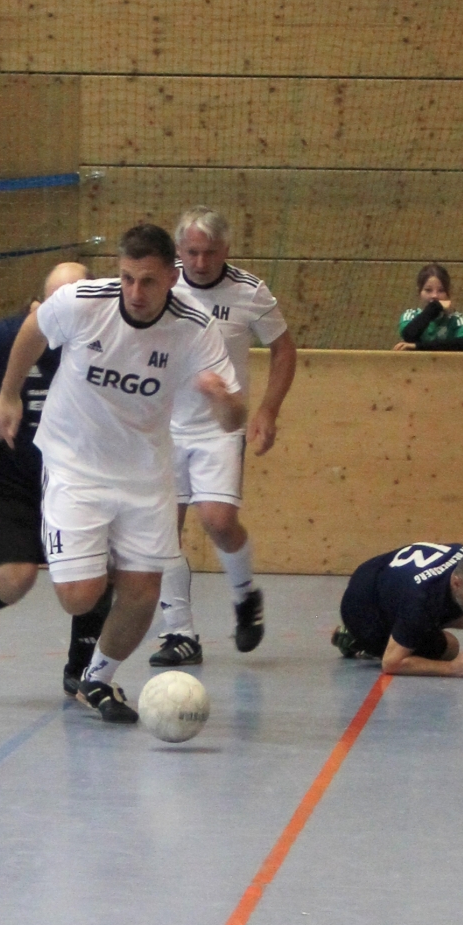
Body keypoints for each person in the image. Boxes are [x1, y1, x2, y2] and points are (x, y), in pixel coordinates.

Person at [0, 223, 245, 724]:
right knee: (79, 597)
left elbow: (234, 418)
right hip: (75, 463)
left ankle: (97, 678)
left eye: (148, 281)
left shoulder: (194, 327)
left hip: (144, 473)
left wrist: (223, 401)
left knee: (143, 592)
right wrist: (8, 393)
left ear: (171, 277)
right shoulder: (83, 302)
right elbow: (34, 329)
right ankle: (94, 556)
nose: (135, 292)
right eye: (128, 278)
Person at [0, 261, 111, 695]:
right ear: (39, 305)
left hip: (75, 477)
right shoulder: (17, 334)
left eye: (76, 299)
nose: (66, 311)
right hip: (8, 474)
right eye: (55, 302)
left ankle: (80, 670)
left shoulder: (109, 340)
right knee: (17, 577)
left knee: (97, 570)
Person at [149, 208, 297, 667]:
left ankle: (245, 594)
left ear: (226, 250)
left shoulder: (249, 291)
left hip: (219, 425)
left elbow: (283, 349)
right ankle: (179, 632)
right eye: (191, 252)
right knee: (161, 531)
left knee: (218, 521)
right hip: (163, 427)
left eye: (210, 253)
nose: (200, 262)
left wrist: (268, 410)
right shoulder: (160, 285)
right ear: (178, 250)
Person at [332, 543, 463, 678]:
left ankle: (403, 631)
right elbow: (391, 664)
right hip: (363, 609)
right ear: (457, 583)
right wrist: (451, 668)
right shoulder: (423, 598)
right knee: (450, 647)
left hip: (382, 577)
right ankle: (356, 639)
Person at [393, 262, 463, 352]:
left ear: (448, 293)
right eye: (428, 290)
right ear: (419, 292)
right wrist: (433, 308)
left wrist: (418, 346)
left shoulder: (457, 318)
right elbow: (409, 336)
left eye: (441, 290)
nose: (434, 295)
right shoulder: (410, 315)